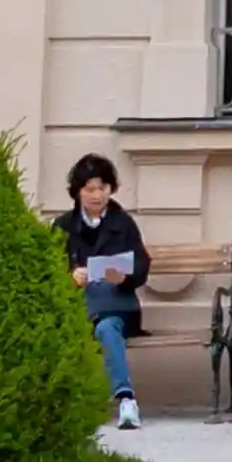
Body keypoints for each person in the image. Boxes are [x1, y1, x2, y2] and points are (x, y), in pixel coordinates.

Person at [58, 156, 149, 433]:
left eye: (103, 188)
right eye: (90, 189)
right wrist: (70, 277)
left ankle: (125, 400)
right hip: (77, 310)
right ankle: (116, 400)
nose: (97, 195)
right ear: (78, 192)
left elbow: (142, 267)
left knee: (108, 327)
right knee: (100, 329)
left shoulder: (124, 223)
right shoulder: (63, 226)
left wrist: (125, 276)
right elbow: (47, 269)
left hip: (118, 306)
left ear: (111, 189)